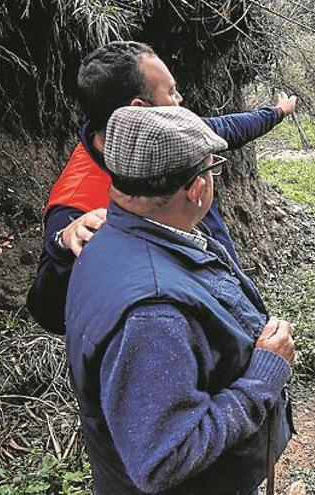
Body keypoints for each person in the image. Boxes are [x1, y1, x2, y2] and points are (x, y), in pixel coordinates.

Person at [66, 105, 295, 494]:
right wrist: (263, 377)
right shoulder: (154, 314)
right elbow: (164, 459)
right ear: (197, 188)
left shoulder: (111, 239)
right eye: (212, 168)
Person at [27, 41, 296, 334]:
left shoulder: (170, 139)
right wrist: (62, 244)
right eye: (170, 91)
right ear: (140, 109)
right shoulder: (77, 200)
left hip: (223, 294)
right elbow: (49, 311)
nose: (180, 99)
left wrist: (277, 112)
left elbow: (228, 128)